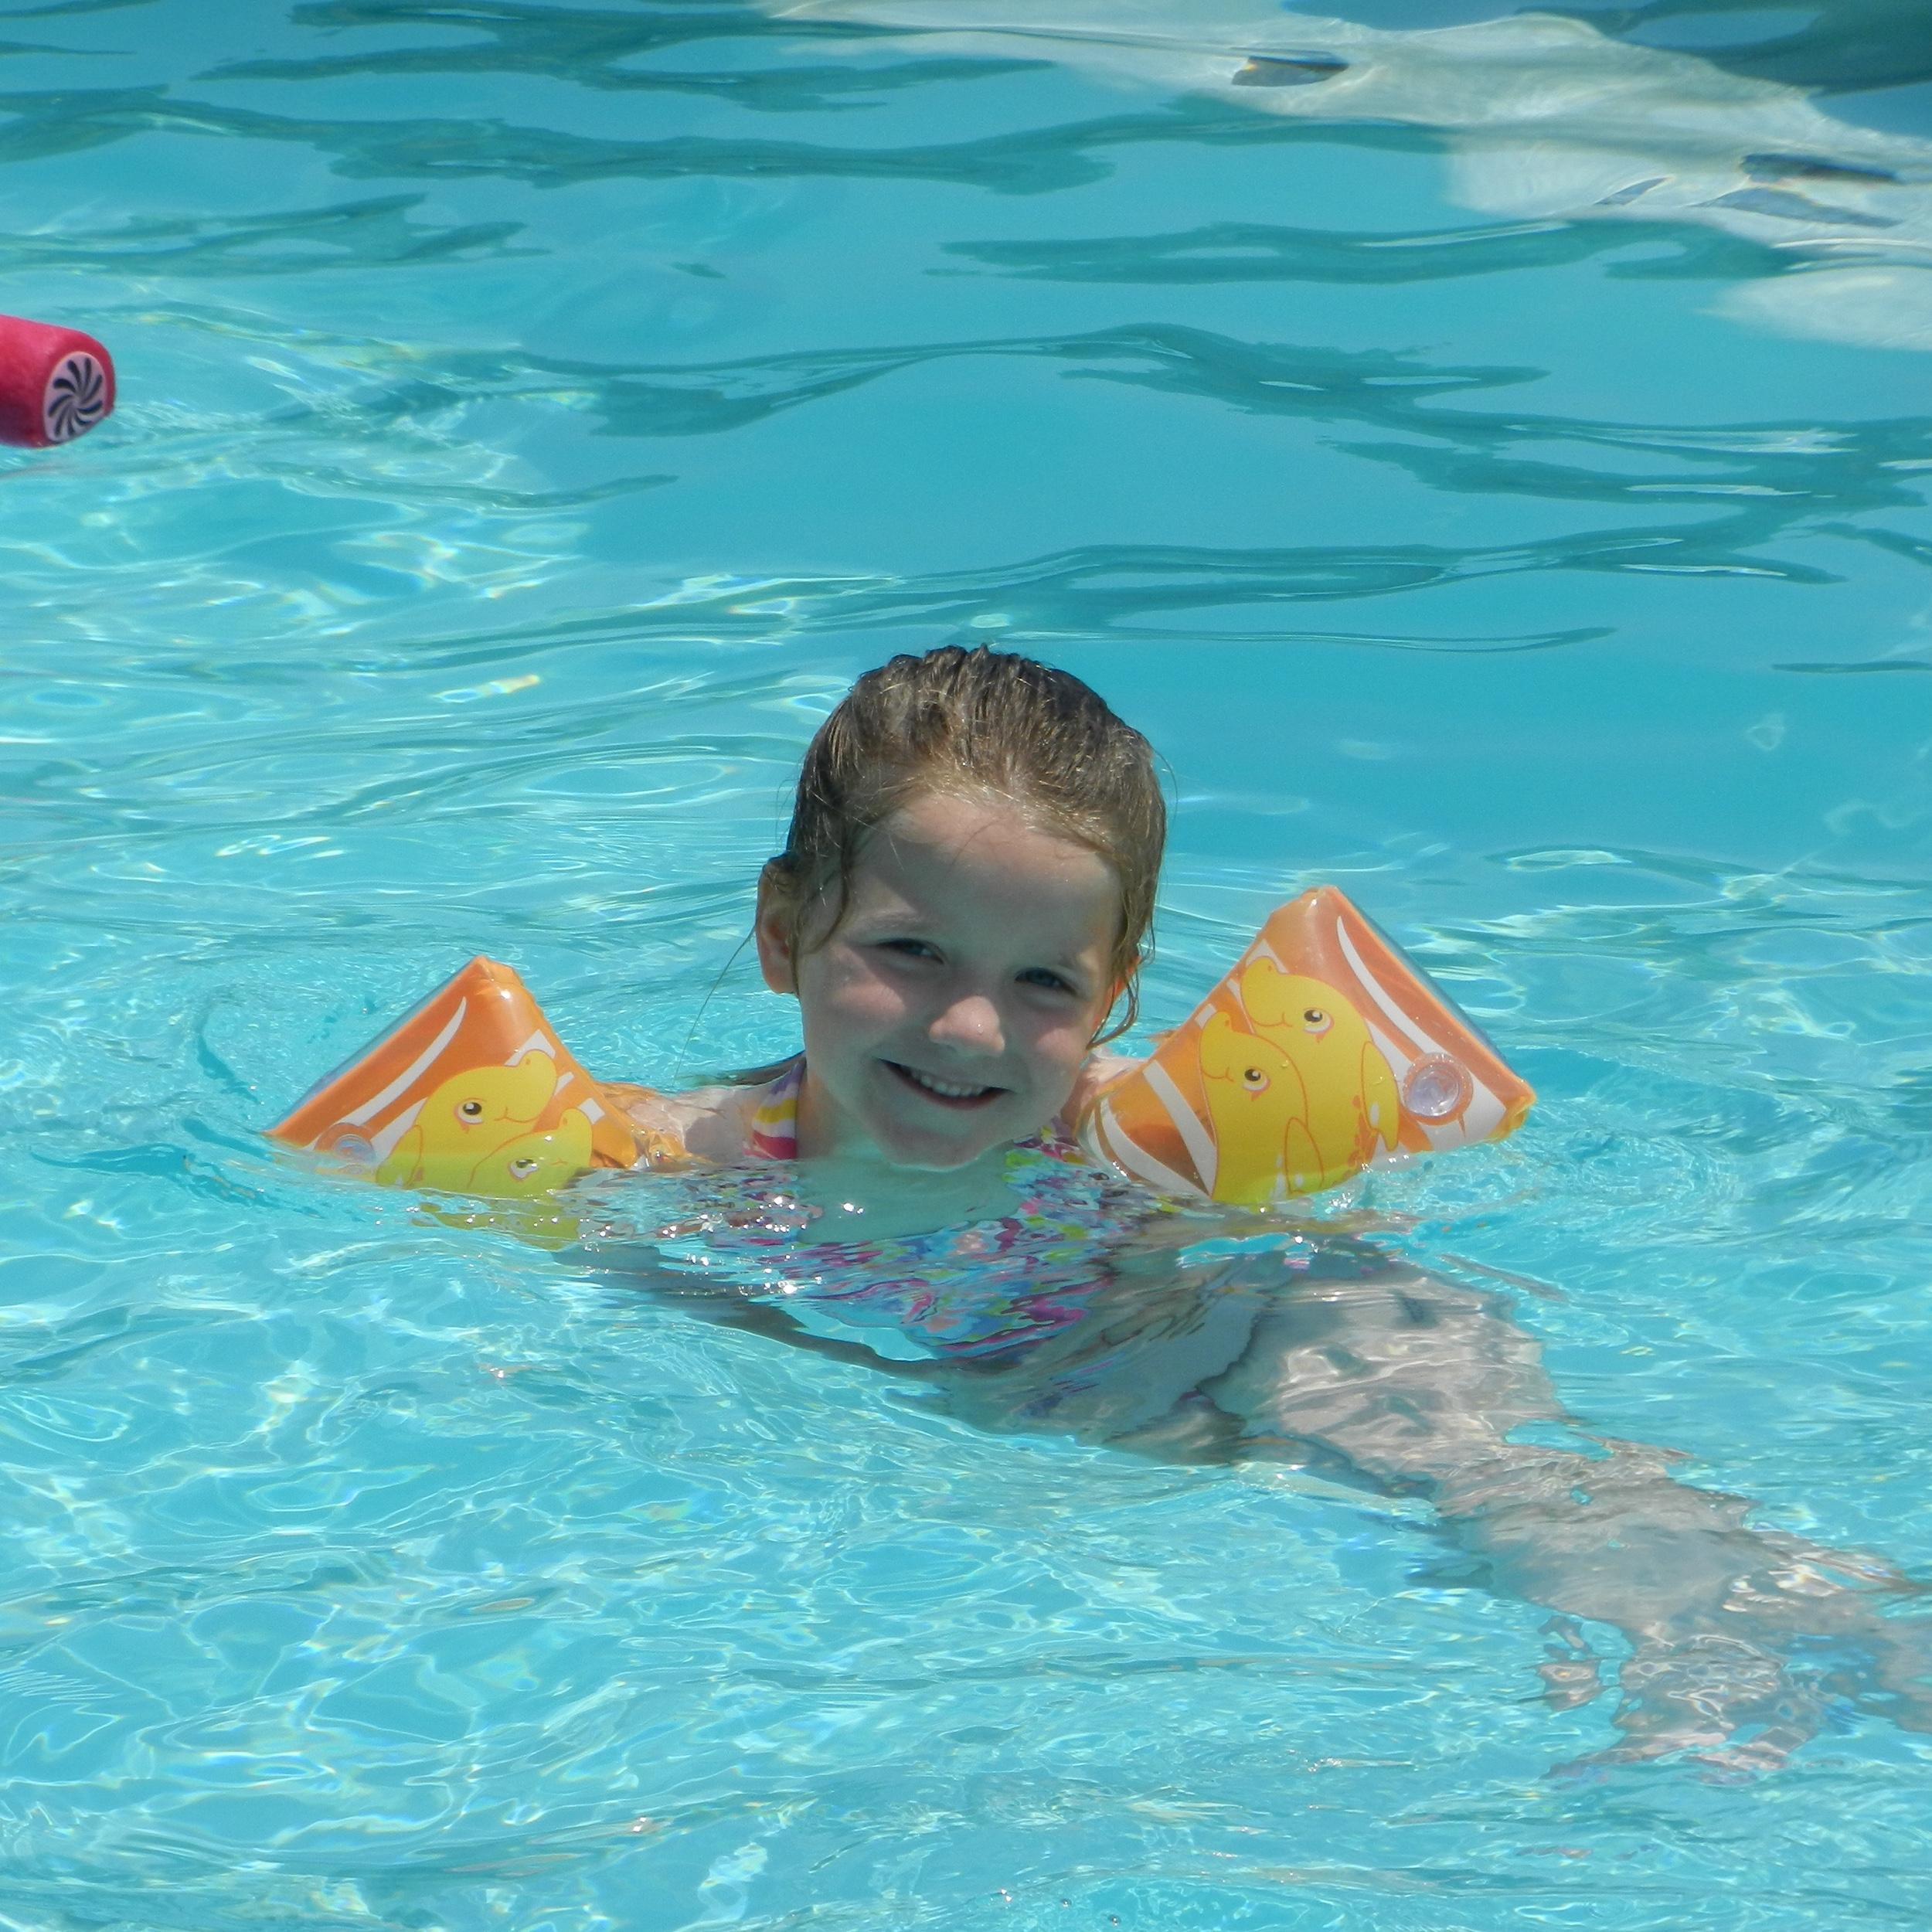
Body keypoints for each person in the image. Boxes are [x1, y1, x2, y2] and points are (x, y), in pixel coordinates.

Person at [586, 644, 1930, 1771]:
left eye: (1045, 983)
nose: (972, 1028)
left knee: (1475, 1443)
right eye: (911, 951)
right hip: (1040, 1426)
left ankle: (1770, 1611)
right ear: (785, 933)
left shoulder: (1134, 1144)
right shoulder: (664, 1165)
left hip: (1206, 1338)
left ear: (1115, 996)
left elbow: (1334, 1276)